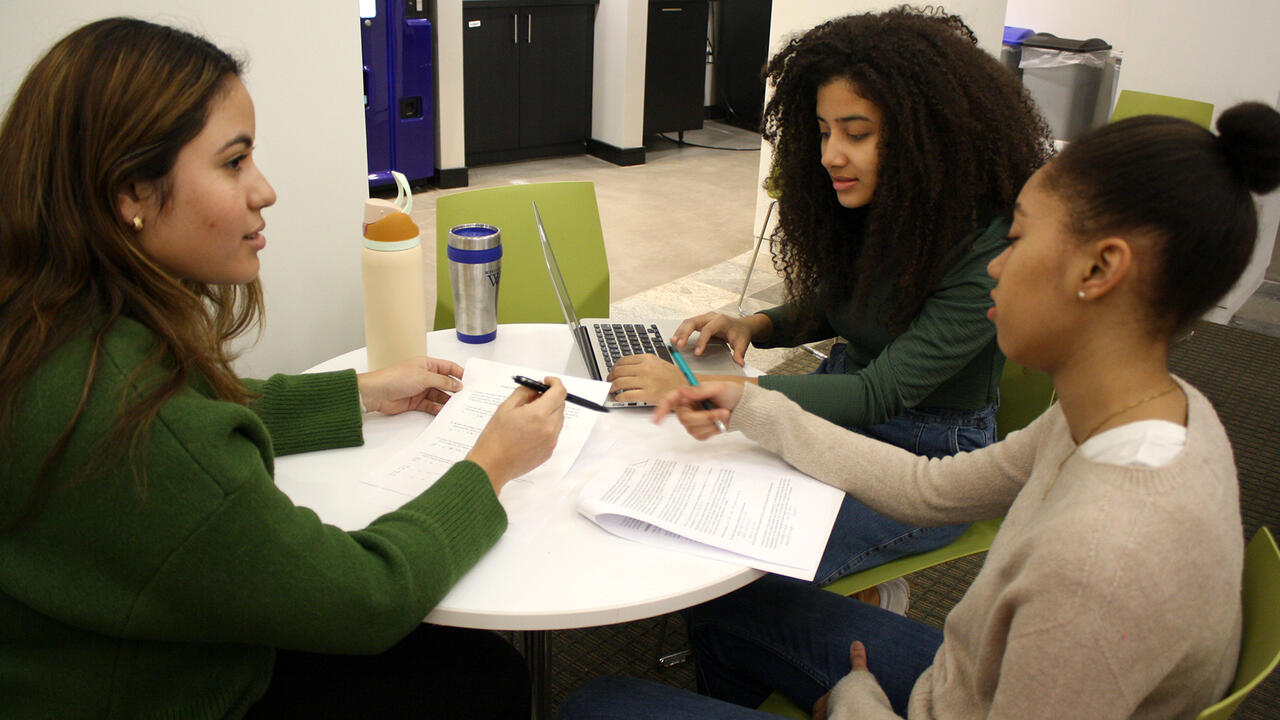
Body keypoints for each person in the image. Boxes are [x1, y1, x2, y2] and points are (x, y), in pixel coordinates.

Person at [560, 100, 1280, 719]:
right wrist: (749, 406)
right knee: (732, 604)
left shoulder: (1100, 568)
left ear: (1100, 268)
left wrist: (856, 700)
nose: (996, 262)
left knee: (597, 706)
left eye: (1021, 236)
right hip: (971, 683)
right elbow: (929, 488)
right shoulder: (1150, 411)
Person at [0, 18, 567, 719]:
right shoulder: (135, 419)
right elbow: (365, 597)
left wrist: (359, 392)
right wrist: (491, 466)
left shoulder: (46, 327)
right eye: (234, 162)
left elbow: (197, 412)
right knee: (483, 676)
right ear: (130, 193)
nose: (264, 190)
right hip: (187, 689)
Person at [609, 7, 1053, 593]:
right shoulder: (883, 204)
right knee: (700, 492)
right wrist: (754, 324)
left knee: (750, 564)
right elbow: (836, 304)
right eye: (823, 132)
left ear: (928, 135)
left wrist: (709, 391)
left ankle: (855, 608)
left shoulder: (987, 248)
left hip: (929, 454)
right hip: (846, 413)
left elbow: (878, 394)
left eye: (857, 133)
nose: (830, 155)